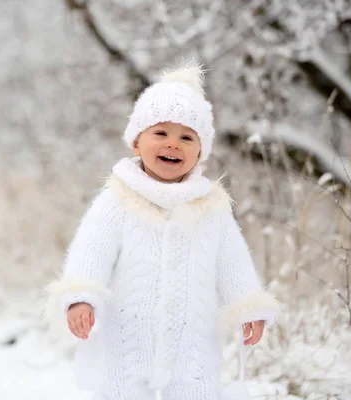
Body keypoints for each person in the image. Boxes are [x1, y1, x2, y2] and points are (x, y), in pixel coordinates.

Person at [44, 61, 279, 400]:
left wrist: (249, 307)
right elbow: (90, 250)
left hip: (193, 342)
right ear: (137, 143)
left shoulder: (210, 208)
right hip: (125, 338)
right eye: (161, 133)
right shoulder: (117, 200)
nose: (173, 145)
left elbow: (233, 262)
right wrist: (80, 298)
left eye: (187, 137)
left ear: (200, 152)